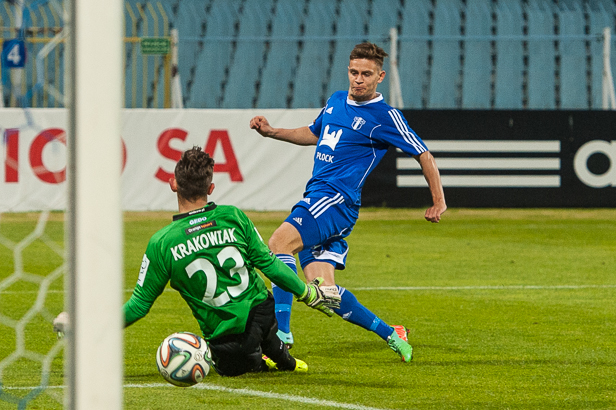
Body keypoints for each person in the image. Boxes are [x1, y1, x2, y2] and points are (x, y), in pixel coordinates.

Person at [54, 147, 339, 377]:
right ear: (211, 187)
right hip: (263, 315)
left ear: (172, 183)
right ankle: (278, 352)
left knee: (238, 366)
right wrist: (307, 292)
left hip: (227, 339)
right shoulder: (233, 216)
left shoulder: (162, 243)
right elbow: (269, 264)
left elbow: (139, 306)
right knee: (263, 327)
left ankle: (266, 357)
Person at [249, 42, 446, 363]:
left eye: (366, 74)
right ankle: (391, 333)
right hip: (320, 199)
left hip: (335, 200)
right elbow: (313, 132)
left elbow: (423, 154)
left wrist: (438, 201)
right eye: (354, 72)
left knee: (278, 244)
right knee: (324, 292)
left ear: (380, 76)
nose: (358, 79)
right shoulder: (337, 101)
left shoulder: (386, 117)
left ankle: (280, 337)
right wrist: (272, 132)